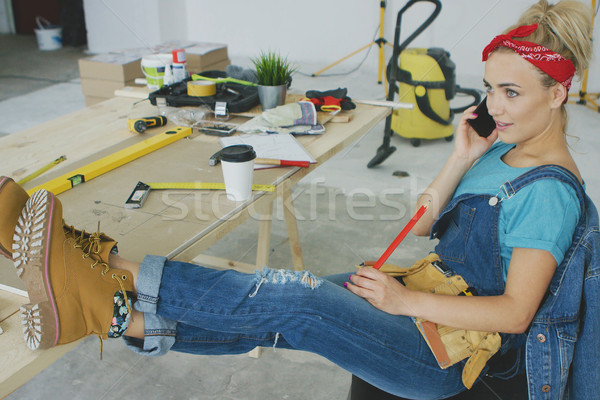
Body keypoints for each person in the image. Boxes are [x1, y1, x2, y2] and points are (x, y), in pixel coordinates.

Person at [0, 1, 595, 398]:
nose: (493, 106)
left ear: (559, 92)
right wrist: (462, 155)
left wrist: (403, 300)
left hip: (448, 354)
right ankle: (111, 314)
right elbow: (419, 226)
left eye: (512, 92)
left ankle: (102, 268)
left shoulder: (548, 194)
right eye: (490, 88)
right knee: (276, 309)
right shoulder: (498, 149)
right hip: (428, 303)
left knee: (299, 301)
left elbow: (516, 313)